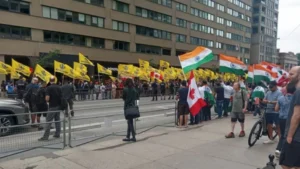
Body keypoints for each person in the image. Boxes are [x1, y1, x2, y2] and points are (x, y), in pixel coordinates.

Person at [279, 66, 300, 169]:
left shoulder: (299, 92)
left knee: (285, 164)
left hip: (295, 137)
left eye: (292, 74)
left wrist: (289, 136)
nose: (288, 76)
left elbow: (297, 116)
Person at [274, 83, 295, 158]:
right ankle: (284, 151)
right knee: (290, 135)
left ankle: (278, 149)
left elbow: (276, 109)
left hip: (282, 118)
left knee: (283, 135)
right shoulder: (296, 98)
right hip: (291, 119)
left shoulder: (280, 98)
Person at [38, 76, 63, 141]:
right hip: (58, 106)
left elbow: (47, 98)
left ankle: (45, 137)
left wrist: (46, 100)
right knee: (57, 120)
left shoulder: (49, 88)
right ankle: (57, 133)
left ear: (50, 80)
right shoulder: (59, 87)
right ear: (55, 80)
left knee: (48, 121)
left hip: (52, 106)